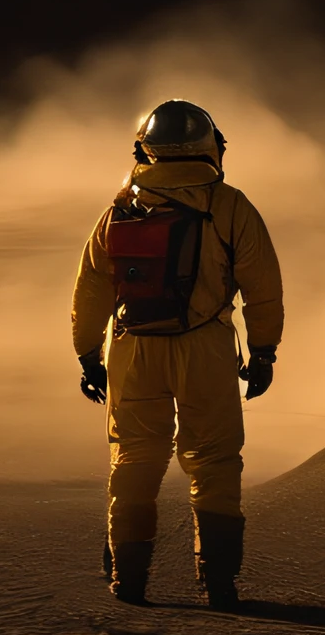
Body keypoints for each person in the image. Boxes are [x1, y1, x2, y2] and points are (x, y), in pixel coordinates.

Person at [70, 98, 283, 609]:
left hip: (133, 350)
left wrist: (86, 356)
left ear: (146, 147)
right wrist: (262, 351)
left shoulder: (120, 208)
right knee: (213, 462)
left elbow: (91, 290)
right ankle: (219, 583)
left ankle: (129, 579)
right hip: (205, 350)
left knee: (134, 462)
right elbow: (263, 287)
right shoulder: (230, 205)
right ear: (211, 147)